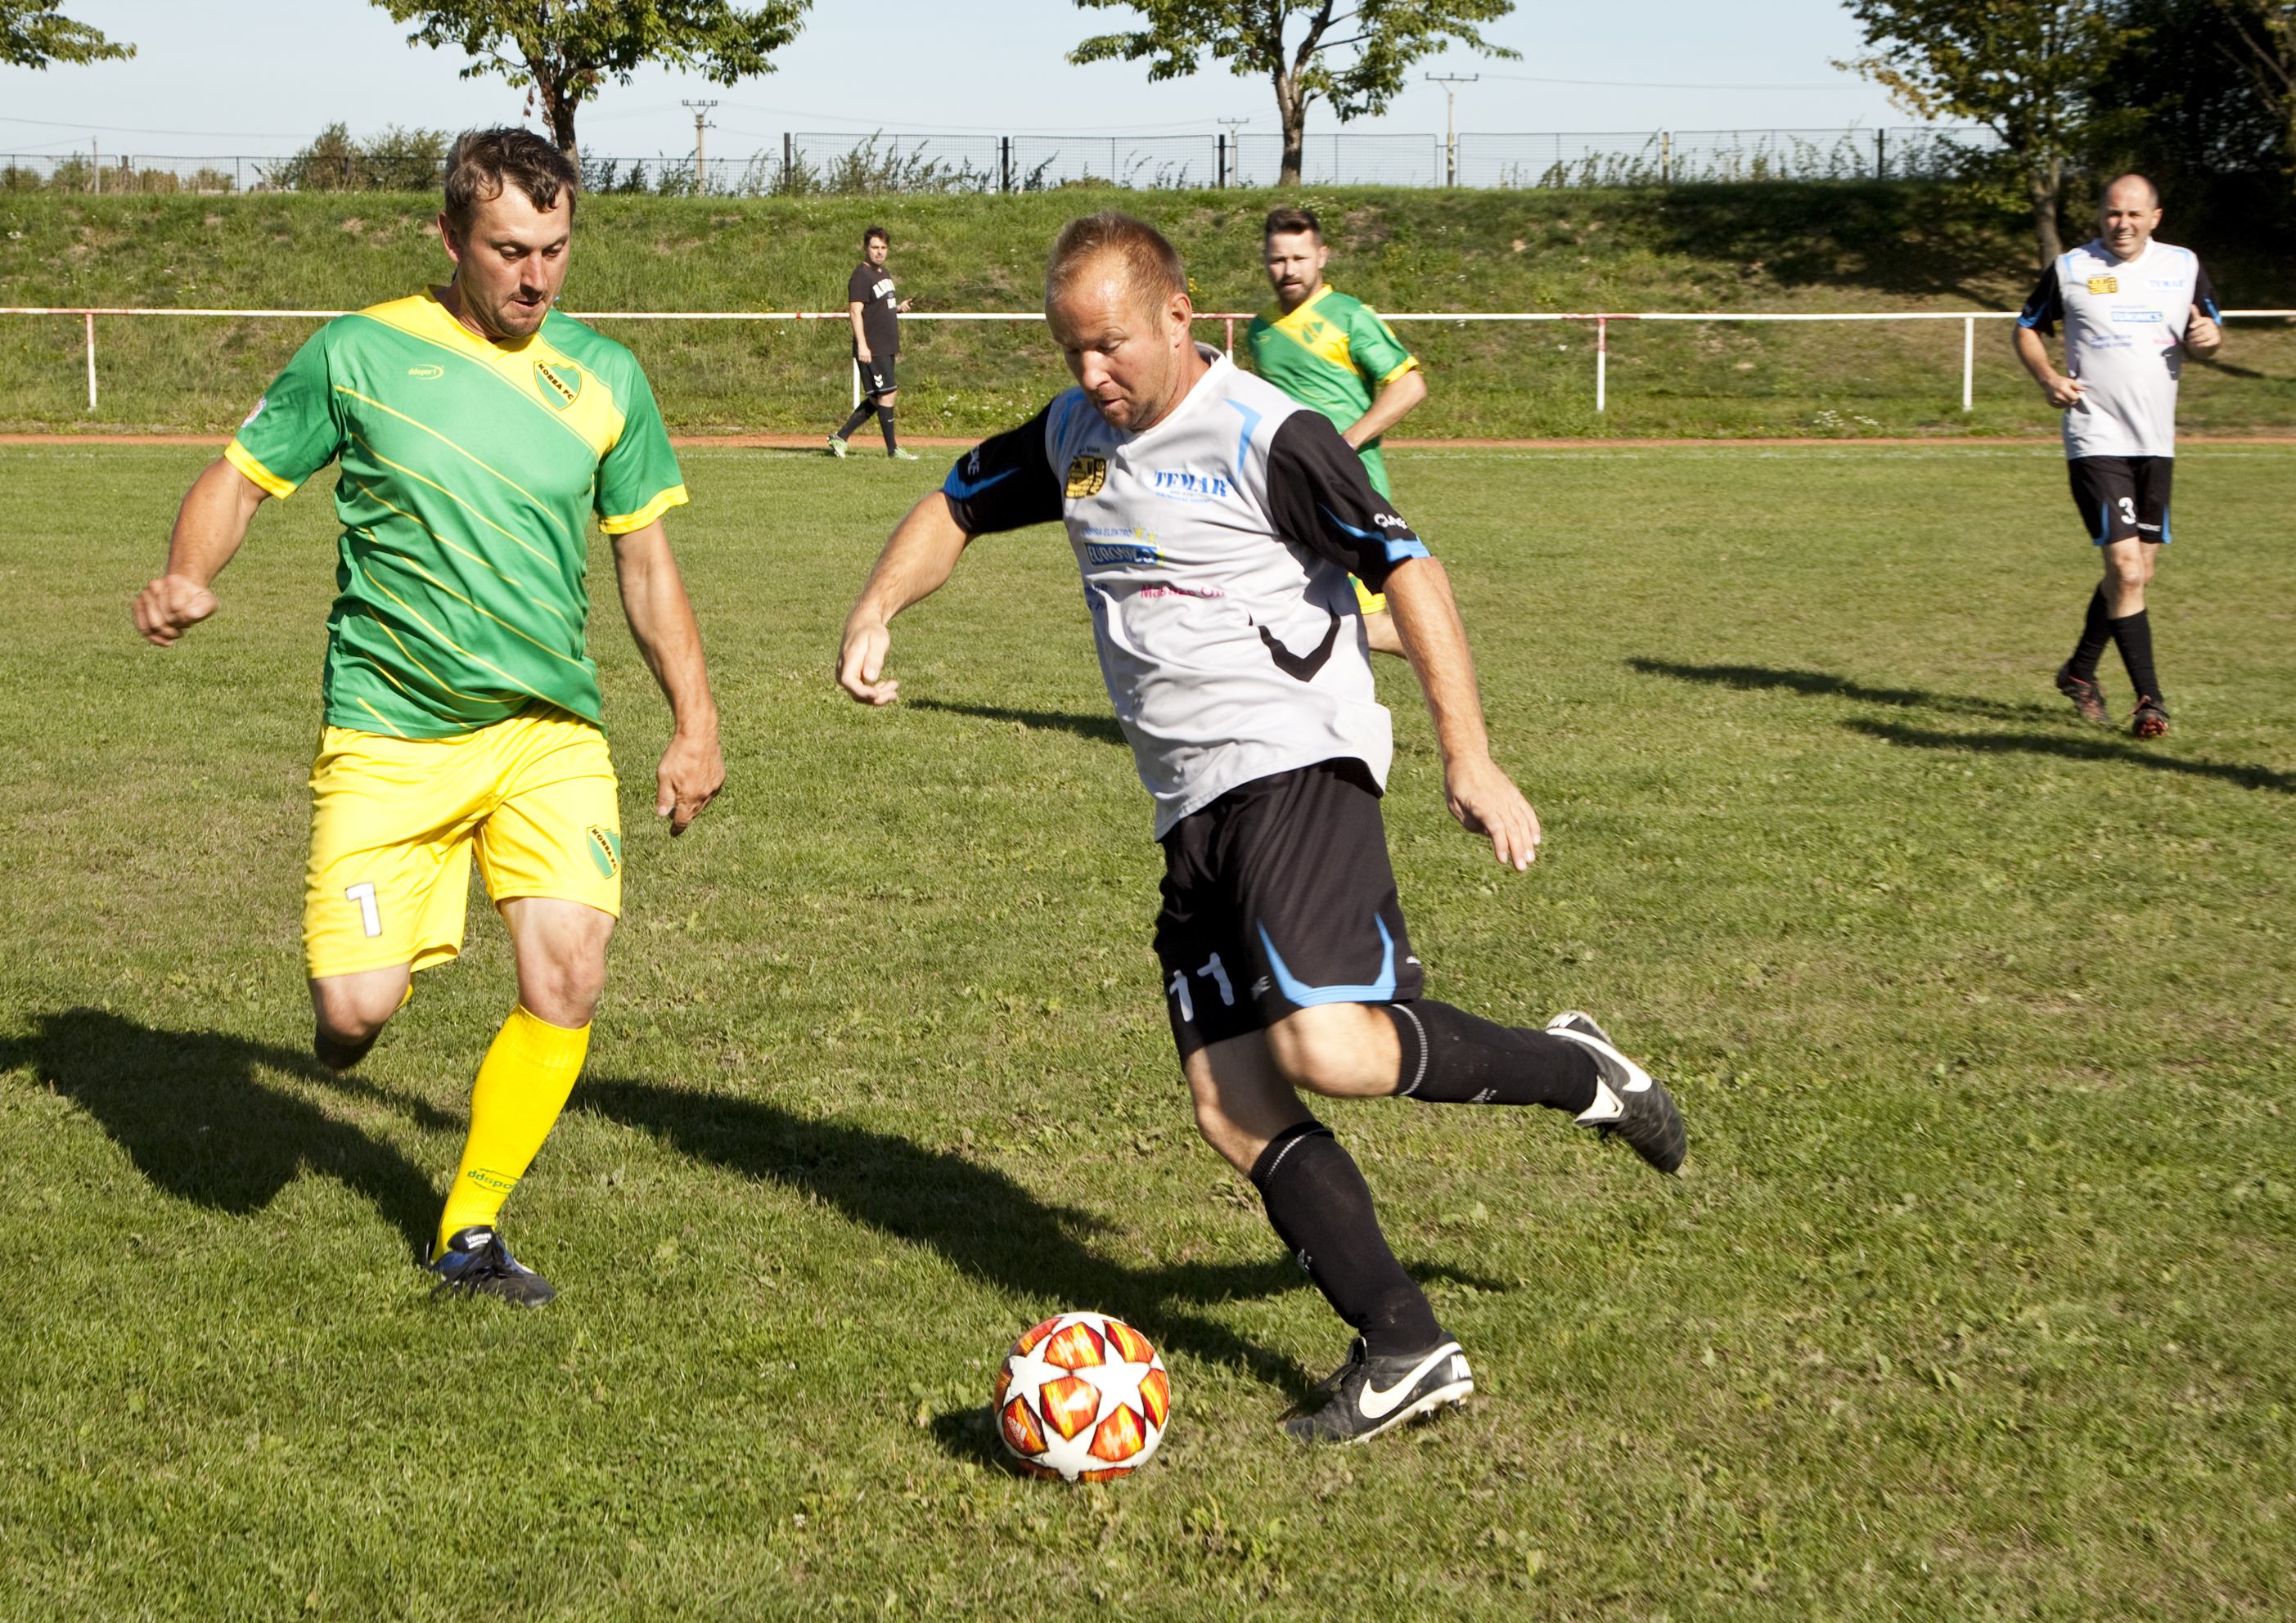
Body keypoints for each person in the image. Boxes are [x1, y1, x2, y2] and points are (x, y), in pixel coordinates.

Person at [837, 213, 1684, 1446]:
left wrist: (1470, 755)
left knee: (1324, 1049)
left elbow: (1410, 573)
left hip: (1292, 763)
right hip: (1186, 806)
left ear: (1181, 317)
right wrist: (875, 610)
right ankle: (1404, 1345)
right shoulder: (1078, 435)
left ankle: (1581, 1074)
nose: (1090, 377)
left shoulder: (1264, 436)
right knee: (1232, 1104)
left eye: (1112, 347)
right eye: (1070, 350)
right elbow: (953, 503)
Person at [132, 128, 725, 1306]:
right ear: (449, 237)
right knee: (354, 1016)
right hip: (391, 734)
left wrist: (694, 722)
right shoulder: (358, 353)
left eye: (556, 251)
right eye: (509, 249)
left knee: (570, 974)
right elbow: (243, 473)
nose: (536, 278)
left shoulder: (605, 378)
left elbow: (647, 567)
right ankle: (350, 1025)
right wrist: (187, 572)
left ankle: (470, 1228)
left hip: (546, 733)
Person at [2015, 173, 2222, 739]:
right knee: (2126, 570)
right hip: (2095, 437)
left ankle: (2079, 672)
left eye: (2133, 215)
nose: (2122, 224)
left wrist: (2209, 340)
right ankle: (2150, 701)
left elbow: (2208, 327)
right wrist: (2047, 377)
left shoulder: (2183, 265)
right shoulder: (2072, 268)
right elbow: (2027, 328)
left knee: (2138, 574)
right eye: (2112, 214)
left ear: (2155, 217)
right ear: (2100, 216)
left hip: (2156, 442)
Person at [1245, 205, 1429, 658]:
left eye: (1299, 258)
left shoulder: (1347, 316)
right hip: (1286, 491)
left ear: (1322, 256)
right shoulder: (1261, 329)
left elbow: (1408, 385)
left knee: (1363, 622)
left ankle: (1441, 652)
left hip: (1344, 489)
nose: (1288, 269)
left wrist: (1342, 444)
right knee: (1286, 609)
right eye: (1278, 259)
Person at [829, 225, 921, 461]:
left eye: (883, 247)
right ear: (865, 248)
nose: (879, 252)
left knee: (875, 398)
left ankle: (840, 436)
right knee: (888, 394)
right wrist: (862, 345)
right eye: (874, 247)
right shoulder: (862, 275)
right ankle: (893, 450)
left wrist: (898, 308)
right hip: (873, 346)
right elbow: (855, 312)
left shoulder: (884, 273)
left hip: (887, 345)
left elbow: (879, 307)